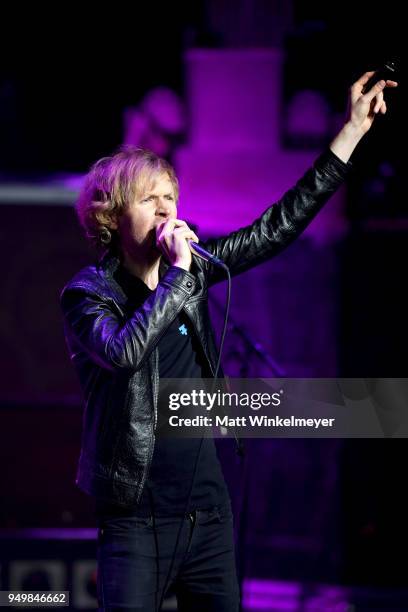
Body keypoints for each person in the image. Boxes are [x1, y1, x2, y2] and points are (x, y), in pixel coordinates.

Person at [60, 71, 397, 611]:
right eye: (151, 200)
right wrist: (177, 274)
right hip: (135, 523)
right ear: (112, 215)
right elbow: (123, 352)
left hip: (209, 516)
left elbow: (276, 227)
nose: (168, 209)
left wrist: (352, 131)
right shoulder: (87, 294)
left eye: (172, 196)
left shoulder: (192, 272)